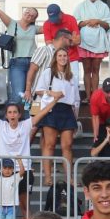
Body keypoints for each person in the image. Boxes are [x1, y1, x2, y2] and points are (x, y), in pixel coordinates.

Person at [0, 93, 54, 218]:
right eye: (10, 112)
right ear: (6, 115)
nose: (12, 114)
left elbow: (43, 112)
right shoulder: (1, 125)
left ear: (19, 115)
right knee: (5, 206)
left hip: (24, 170)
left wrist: (56, 99)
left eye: (15, 112)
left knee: (24, 205)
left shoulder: (26, 125)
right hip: (5, 172)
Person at [32, 46, 80, 180]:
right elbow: (38, 90)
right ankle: (48, 176)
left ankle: (69, 177)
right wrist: (52, 93)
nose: (62, 58)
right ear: (55, 58)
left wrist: (75, 117)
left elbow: (76, 99)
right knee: (49, 144)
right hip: (52, 109)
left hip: (67, 110)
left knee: (67, 145)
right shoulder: (48, 73)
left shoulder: (72, 77)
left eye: (65, 56)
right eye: (60, 56)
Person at [74, 0, 110, 99]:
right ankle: (88, 96)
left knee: (96, 69)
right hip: (85, 42)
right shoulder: (80, 6)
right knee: (86, 70)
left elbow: (108, 25)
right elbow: (76, 22)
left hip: (99, 42)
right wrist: (87, 22)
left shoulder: (104, 7)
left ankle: (95, 96)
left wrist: (98, 21)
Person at [23, 28, 73, 108]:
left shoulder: (63, 56)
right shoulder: (44, 50)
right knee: (36, 119)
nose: (71, 44)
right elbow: (32, 70)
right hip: (38, 98)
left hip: (54, 101)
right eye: (70, 40)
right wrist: (28, 90)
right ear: (63, 38)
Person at [43, 3, 81, 86]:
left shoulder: (70, 19)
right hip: (56, 58)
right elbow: (49, 44)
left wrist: (58, 41)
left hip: (72, 58)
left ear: (60, 13)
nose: (54, 21)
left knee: (73, 83)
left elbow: (78, 41)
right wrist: (69, 41)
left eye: (56, 18)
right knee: (56, 84)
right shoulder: (47, 23)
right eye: (51, 18)